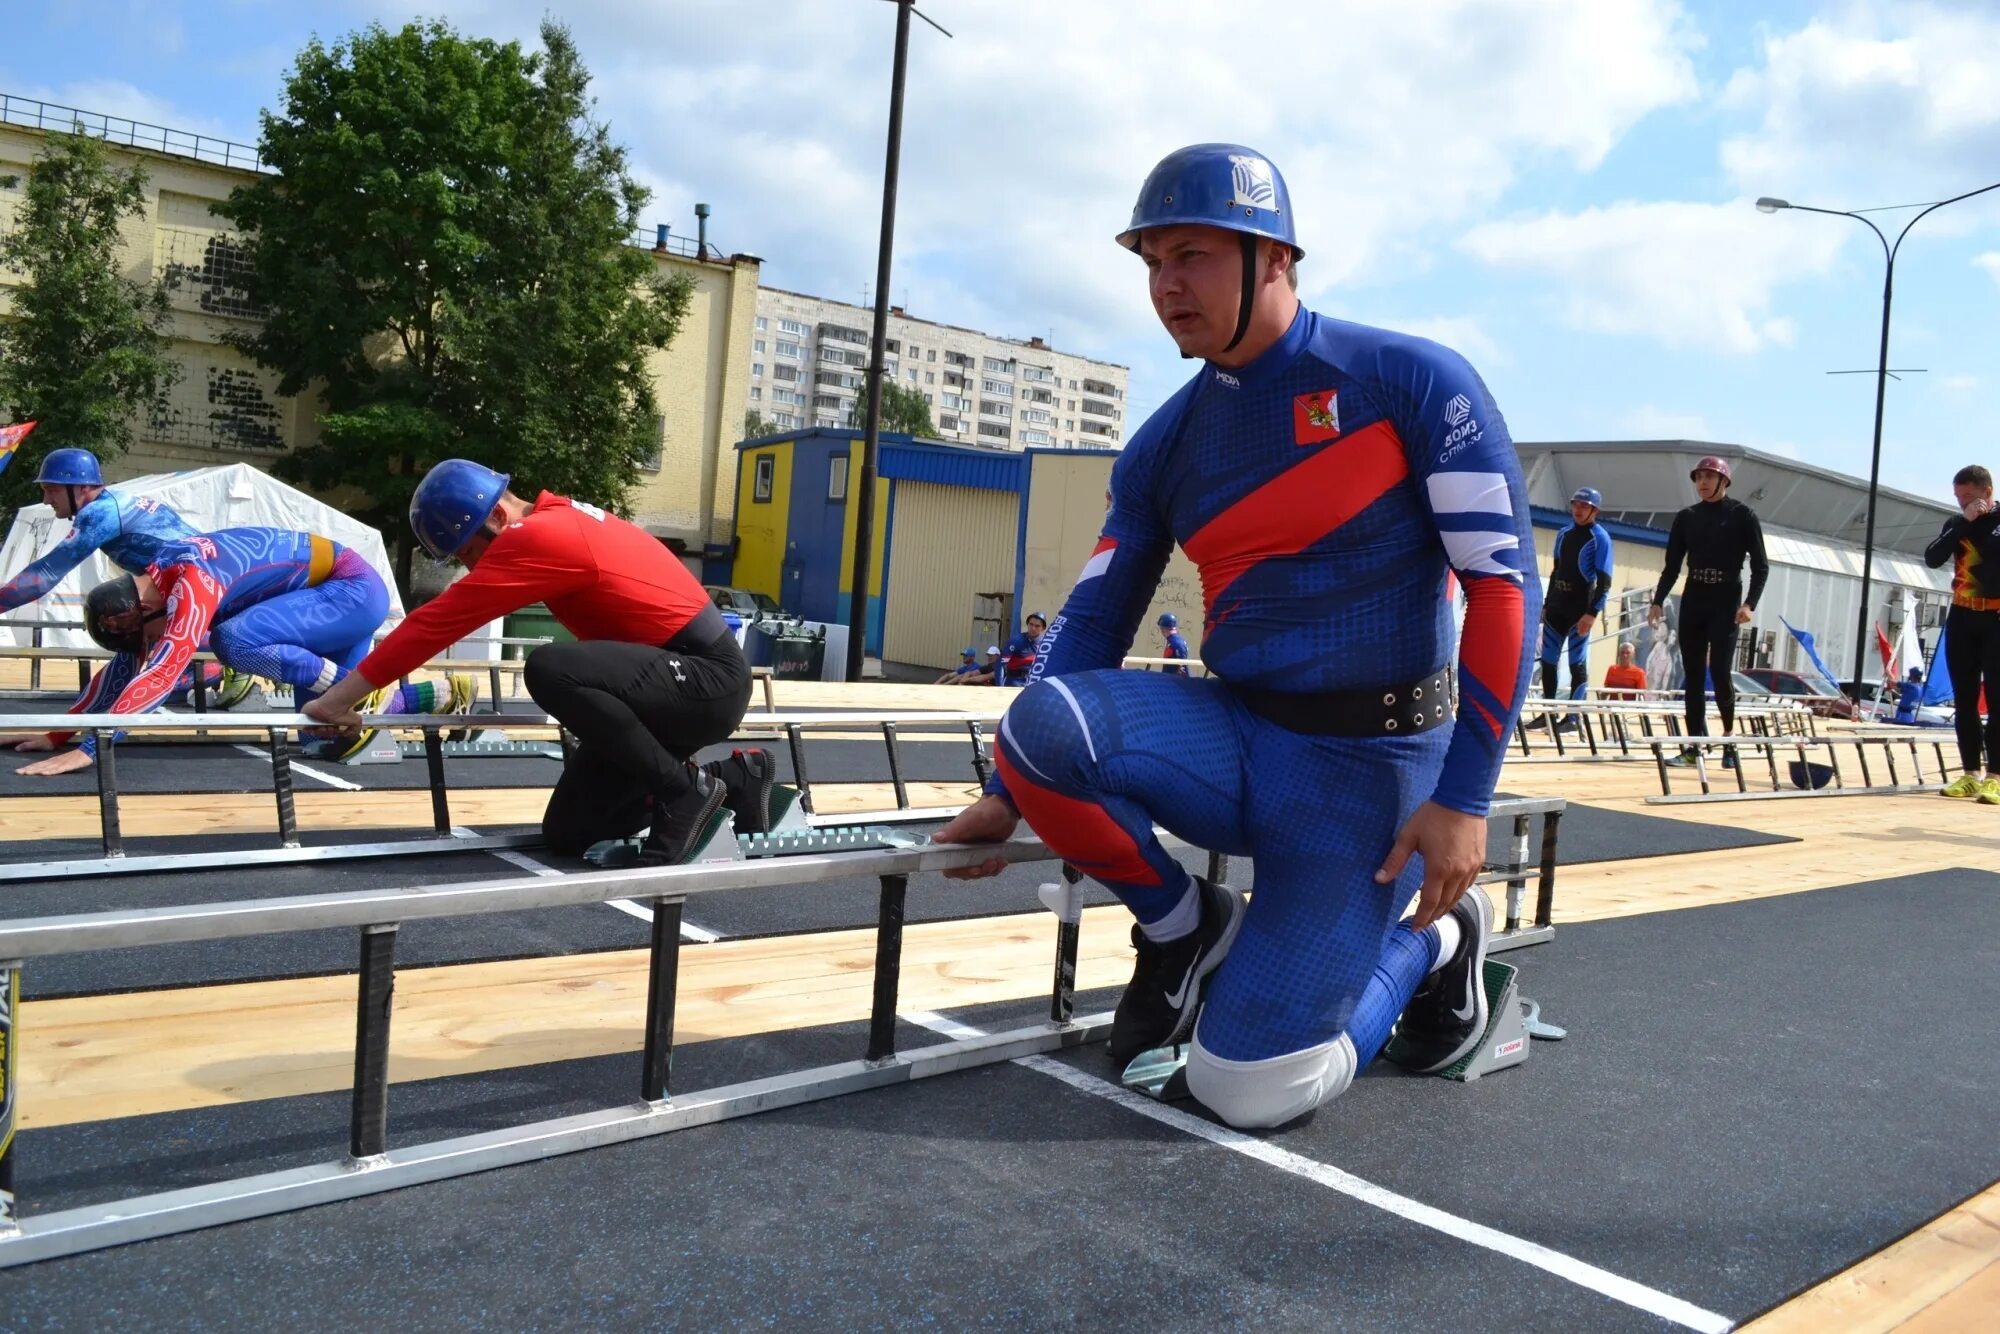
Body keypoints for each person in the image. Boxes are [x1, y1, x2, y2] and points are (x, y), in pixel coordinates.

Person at [935, 143, 1536, 1130]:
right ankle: (1185, 927)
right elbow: (1090, 616)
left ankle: (1433, 940)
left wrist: (1462, 798)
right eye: (1150, 263)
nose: (1166, 284)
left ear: (1276, 258)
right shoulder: (1166, 441)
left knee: (1250, 1086)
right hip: (1241, 735)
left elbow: (1503, 590)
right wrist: (1005, 797)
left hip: (1369, 767)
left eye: (1192, 256)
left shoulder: (1412, 382)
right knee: (1039, 727)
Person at [302, 459, 773, 862]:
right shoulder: (556, 518)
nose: (471, 569)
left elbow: (433, 625)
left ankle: (684, 791)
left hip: (707, 678)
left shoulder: (538, 536)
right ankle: (734, 779)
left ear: (499, 519)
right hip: (671, 682)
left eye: (468, 552)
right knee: (570, 834)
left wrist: (335, 700)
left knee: (549, 668)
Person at [10, 527, 437, 775]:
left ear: (142, 610)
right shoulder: (157, 578)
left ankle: (355, 688)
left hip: (350, 592)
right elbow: (128, 666)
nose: (154, 644)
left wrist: (90, 749)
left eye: (148, 636)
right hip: (328, 601)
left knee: (231, 640)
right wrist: (57, 731)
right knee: (316, 734)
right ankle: (439, 695)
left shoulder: (190, 584)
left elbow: (159, 671)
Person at [0, 447, 249, 709]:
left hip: (203, 585)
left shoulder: (99, 514)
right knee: (135, 644)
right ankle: (220, 660)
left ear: (82, 488)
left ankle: (222, 661)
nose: (46, 499)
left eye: (52, 489)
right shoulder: (118, 501)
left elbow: (46, 574)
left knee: (138, 647)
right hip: (208, 580)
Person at [1649, 456, 1767, 769]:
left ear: (1723, 481)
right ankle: (1693, 746)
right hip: (1694, 597)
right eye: (1698, 477)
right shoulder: (1687, 517)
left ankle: (1729, 741)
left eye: (1708, 476)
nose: (1702, 482)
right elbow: (1672, 566)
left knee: (1720, 673)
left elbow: (1760, 566)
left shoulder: (1743, 515)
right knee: (1693, 675)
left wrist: (1749, 604)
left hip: (1727, 601)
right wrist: (1658, 600)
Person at [1923, 464, 2000, 801]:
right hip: (1962, 616)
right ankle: (1969, 773)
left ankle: (1995, 776)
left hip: (1995, 616)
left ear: (1986, 492)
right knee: (1964, 699)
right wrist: (1962, 523)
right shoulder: (1956, 524)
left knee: (1996, 701)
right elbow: (1932, 558)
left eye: (1968, 496)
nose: (1962, 503)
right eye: (1958, 497)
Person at [1531, 487, 1613, 731]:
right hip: (1558, 605)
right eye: (1575, 504)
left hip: (1580, 608)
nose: (1578, 509)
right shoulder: (1563, 533)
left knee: (1577, 664)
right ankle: (1548, 714)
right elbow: (1556, 572)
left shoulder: (1600, 538)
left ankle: (1573, 719)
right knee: (1547, 661)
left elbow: (1604, 582)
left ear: (1594, 510)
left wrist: (1592, 613)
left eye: (1584, 506)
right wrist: (1547, 604)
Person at [997, 613, 1046, 686]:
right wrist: (1000, 687)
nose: (1033, 628)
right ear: (1027, 624)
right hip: (1014, 682)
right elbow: (1000, 665)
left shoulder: (1046, 644)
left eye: (1037, 626)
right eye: (1031, 624)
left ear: (1043, 628)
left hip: (1035, 684)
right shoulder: (1015, 641)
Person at [1156, 612, 1191, 676]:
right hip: (1169, 679)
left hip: (1173, 681)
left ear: (1163, 629)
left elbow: (1183, 666)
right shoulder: (1172, 641)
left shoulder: (1176, 643)